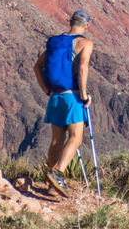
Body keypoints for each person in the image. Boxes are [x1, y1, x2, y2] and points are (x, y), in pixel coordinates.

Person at [34, 10, 94, 198]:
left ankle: (52, 186)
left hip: (55, 97)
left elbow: (37, 66)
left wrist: (46, 90)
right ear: (86, 26)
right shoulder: (85, 43)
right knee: (76, 137)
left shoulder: (55, 42)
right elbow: (83, 67)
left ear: (70, 22)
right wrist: (84, 95)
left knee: (56, 141)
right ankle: (58, 174)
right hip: (72, 97)